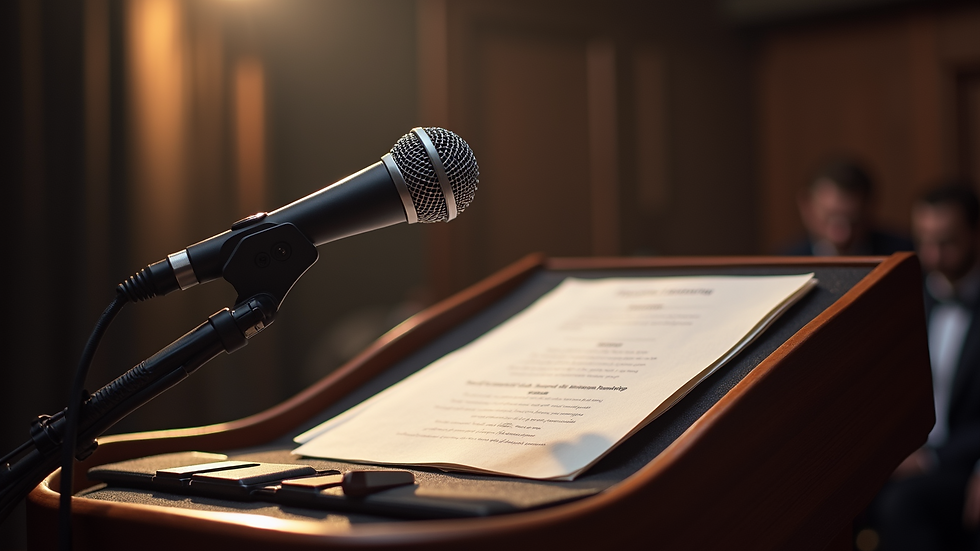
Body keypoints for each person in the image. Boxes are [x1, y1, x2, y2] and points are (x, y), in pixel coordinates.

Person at [869, 184, 980, 551]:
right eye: (925, 242)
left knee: (904, 504)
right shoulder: (904, 296)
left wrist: (933, 459)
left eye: (947, 243)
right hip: (908, 455)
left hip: (964, 461)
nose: (932, 256)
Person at [784, 158, 912, 256]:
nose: (842, 237)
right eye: (830, 218)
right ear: (806, 205)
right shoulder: (783, 264)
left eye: (854, 221)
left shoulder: (902, 255)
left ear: (871, 209)